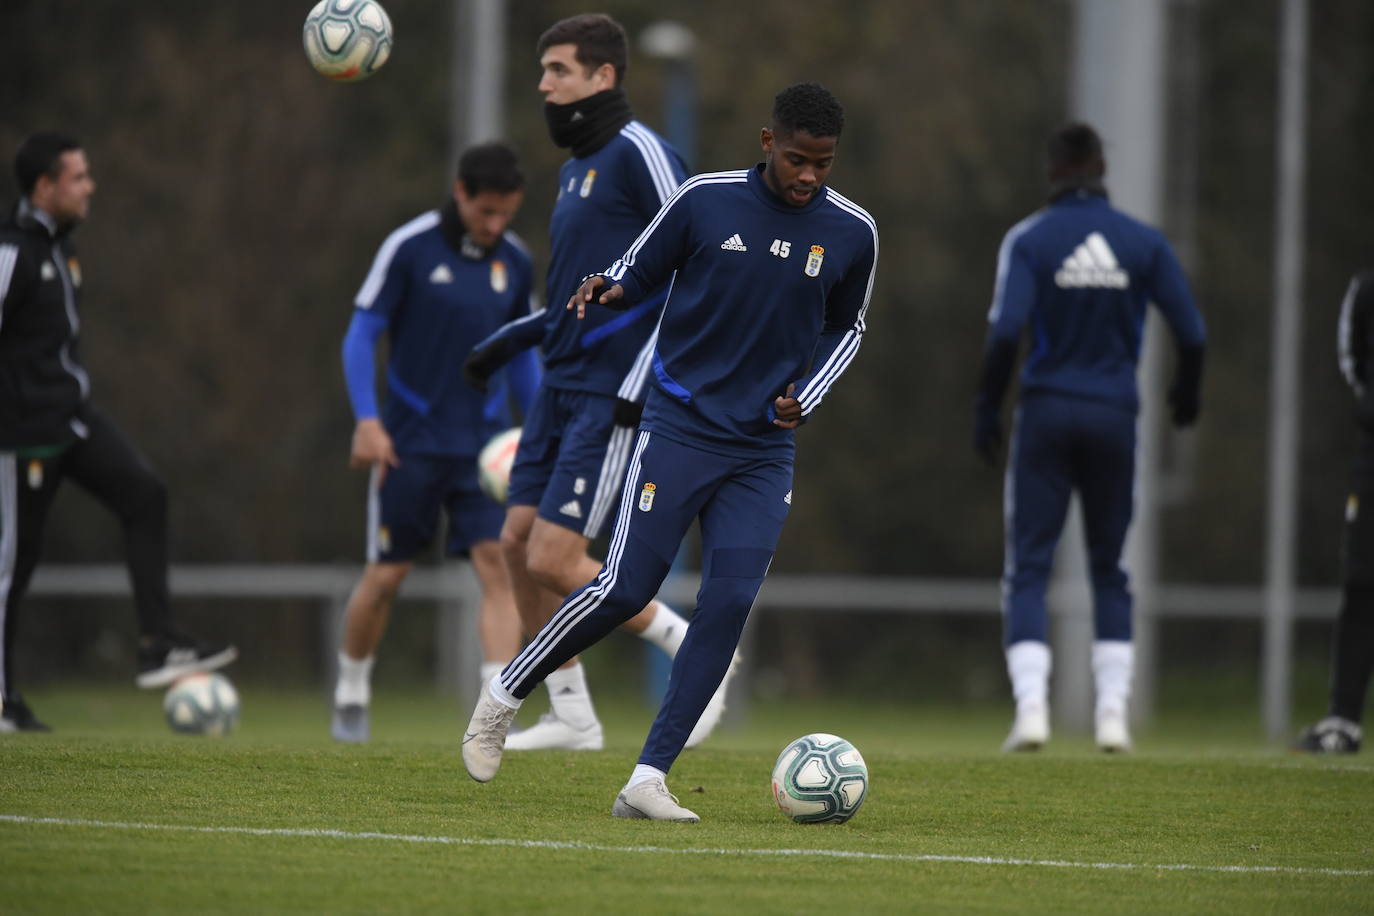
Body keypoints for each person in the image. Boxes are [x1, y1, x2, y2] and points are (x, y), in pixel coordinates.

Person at [461, 82, 878, 821]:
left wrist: (805, 396)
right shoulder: (704, 200)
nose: (809, 175)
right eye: (796, 158)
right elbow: (637, 268)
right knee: (624, 585)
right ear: (766, 142)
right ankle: (503, 695)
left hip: (763, 451)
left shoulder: (852, 231)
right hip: (680, 426)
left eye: (823, 163)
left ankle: (647, 777)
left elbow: (846, 331)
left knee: (728, 603)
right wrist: (608, 289)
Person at [462, 13, 734, 753]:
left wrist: (646, 377)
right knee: (516, 544)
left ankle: (692, 647)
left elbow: (699, 259)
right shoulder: (575, 168)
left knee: (554, 556)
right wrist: (509, 341)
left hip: (611, 393)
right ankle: (574, 713)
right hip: (559, 384)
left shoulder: (639, 152)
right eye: (542, 72)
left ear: (603, 77)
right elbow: (583, 294)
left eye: (558, 71)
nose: (544, 86)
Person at [974, 122, 1206, 754]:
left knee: (1029, 567)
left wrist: (987, 409)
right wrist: (1187, 393)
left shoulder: (1029, 239)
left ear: (1053, 170)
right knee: (1111, 567)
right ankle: (1112, 717)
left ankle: (1031, 713)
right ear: (1101, 167)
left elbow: (1004, 333)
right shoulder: (1143, 243)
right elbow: (1192, 332)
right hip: (1114, 416)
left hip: (1047, 414)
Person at [0, 131, 237, 732]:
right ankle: (4, 702)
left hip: (72, 420)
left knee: (144, 493)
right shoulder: (12, 252)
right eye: (77, 177)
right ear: (44, 186)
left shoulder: (62, 248)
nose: (89, 186)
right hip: (21, 436)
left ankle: (159, 642)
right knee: (12, 567)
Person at [331, 142, 541, 743]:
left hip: (485, 449)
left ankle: (491, 716)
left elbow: (523, 357)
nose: (495, 224)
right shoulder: (409, 247)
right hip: (409, 445)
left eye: (506, 213)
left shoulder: (516, 262)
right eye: (485, 213)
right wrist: (368, 421)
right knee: (388, 574)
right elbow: (360, 334)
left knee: (498, 570)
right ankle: (350, 693)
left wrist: (541, 428)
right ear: (460, 194)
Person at [1293, 270, 1374, 755]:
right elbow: (1353, 363)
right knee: (1362, 583)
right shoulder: (1365, 289)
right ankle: (1343, 720)